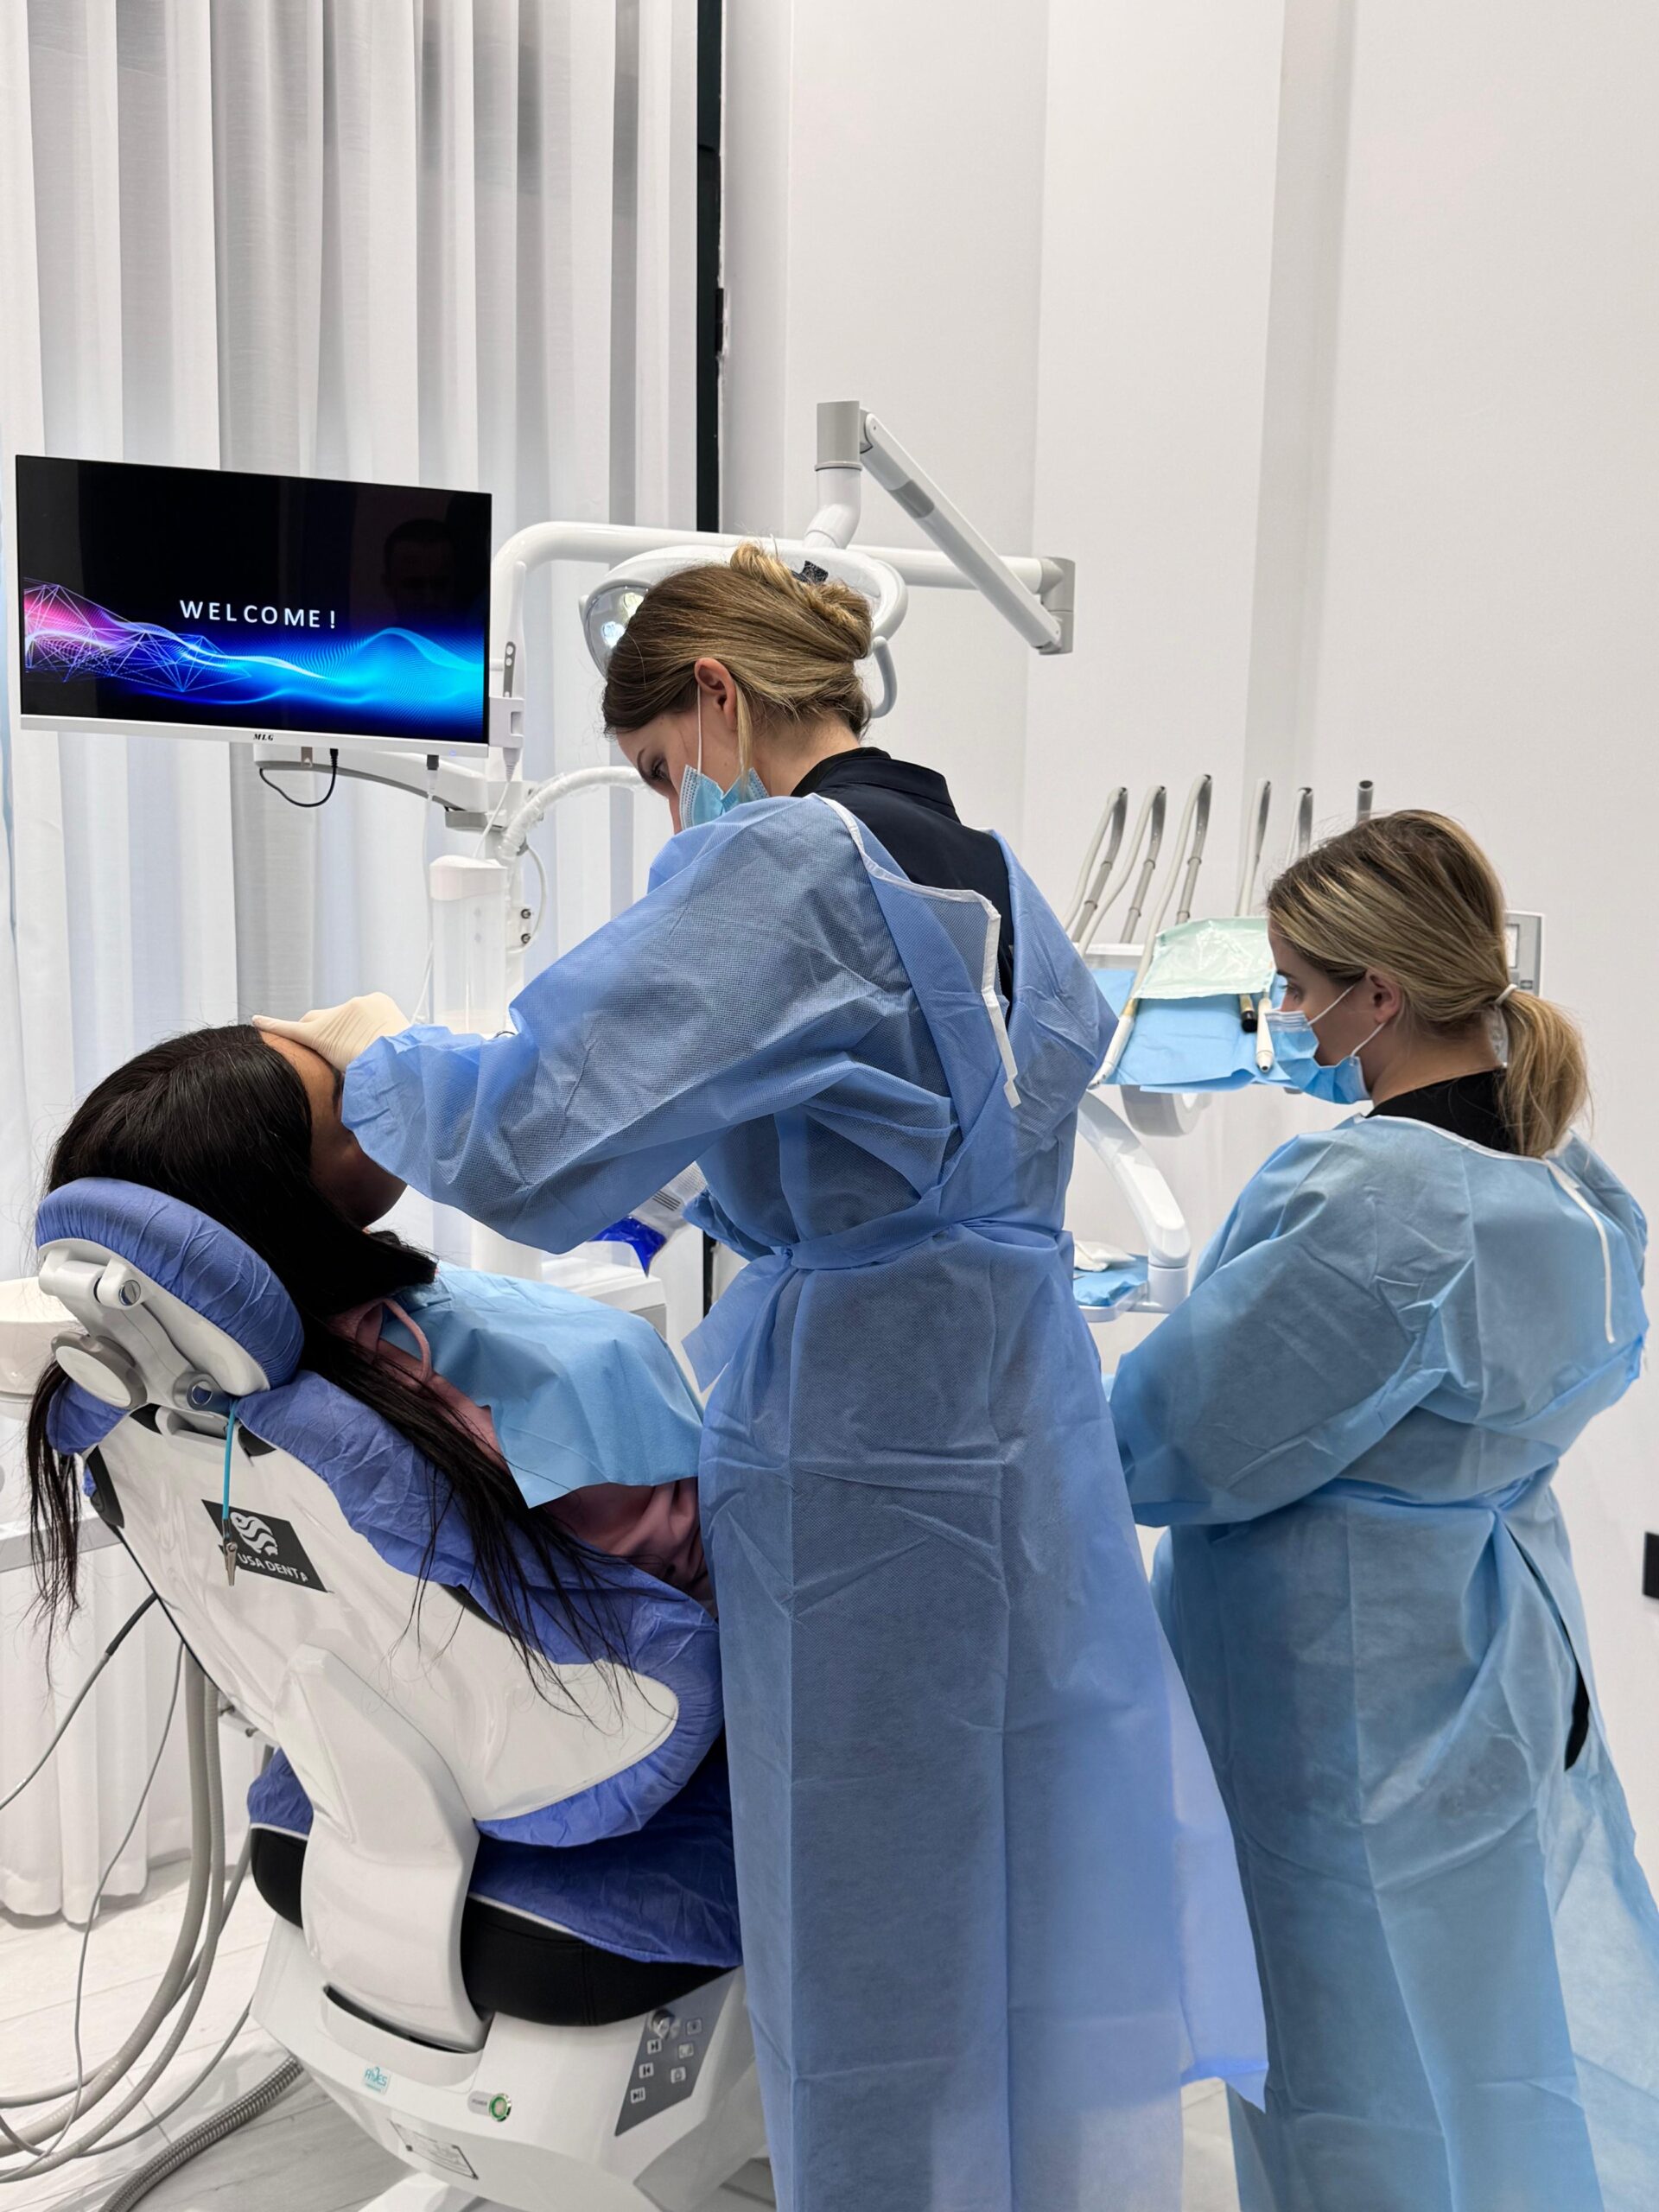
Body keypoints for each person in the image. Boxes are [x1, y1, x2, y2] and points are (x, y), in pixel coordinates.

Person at [251, 543, 1266, 2212]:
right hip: (1022, 1430)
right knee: (1018, 1867)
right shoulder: (1006, 882)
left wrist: (368, 1060)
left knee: (859, 1895)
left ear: (716, 696)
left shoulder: (789, 861)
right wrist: (683, 1198)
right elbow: (867, 1129)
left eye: (662, 769)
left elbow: (523, 1126)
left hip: (863, 1448)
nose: (674, 812)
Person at [1109, 810, 1659, 2212]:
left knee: (1340, 2071)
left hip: (1337, 1702)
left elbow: (1184, 1436)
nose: (1288, 1020)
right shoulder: (1570, 1181)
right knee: (1484, 2032)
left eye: (1297, 989)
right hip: (1491, 1675)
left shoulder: (1373, 1195)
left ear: (1380, 994)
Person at [26, 1025, 711, 1650]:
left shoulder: (166, 1380)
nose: (388, 1095)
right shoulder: (526, 1385)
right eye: (353, 1103)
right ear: (297, 1204)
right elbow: (681, 1555)